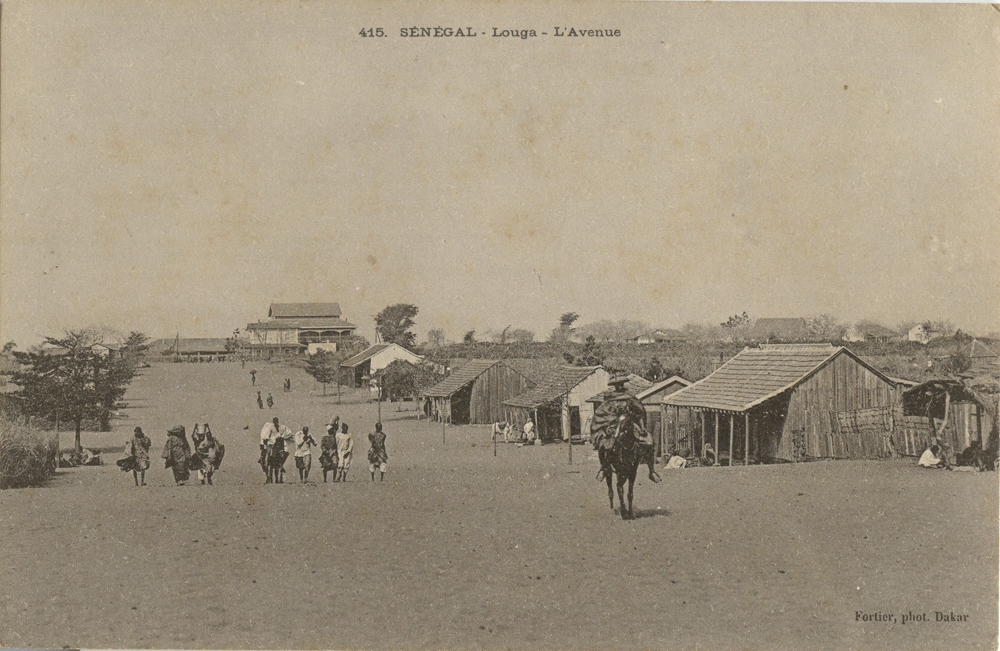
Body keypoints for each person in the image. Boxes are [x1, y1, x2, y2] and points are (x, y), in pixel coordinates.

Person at [590, 375, 660, 483]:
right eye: (616, 385)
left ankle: (651, 471)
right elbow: (602, 414)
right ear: (614, 386)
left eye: (621, 384)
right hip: (613, 425)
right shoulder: (609, 399)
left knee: (649, 442)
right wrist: (607, 426)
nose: (619, 386)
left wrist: (642, 427)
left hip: (631, 423)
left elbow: (639, 413)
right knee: (604, 444)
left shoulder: (630, 398)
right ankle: (603, 468)